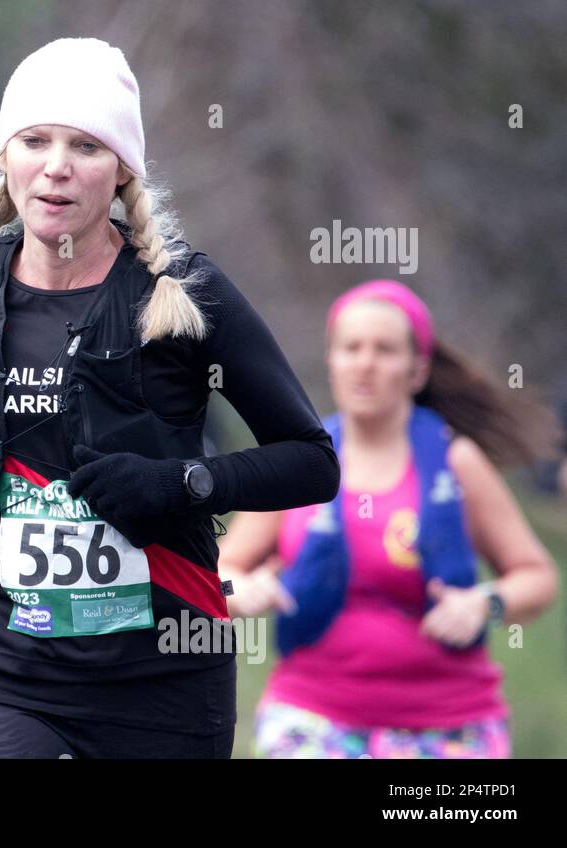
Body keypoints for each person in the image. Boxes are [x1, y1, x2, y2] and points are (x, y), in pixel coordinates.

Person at [0, 38, 339, 758]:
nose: (57, 165)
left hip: (163, 673)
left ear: (121, 170)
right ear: (5, 158)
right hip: (1, 665)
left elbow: (311, 461)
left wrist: (180, 482)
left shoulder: (184, 296)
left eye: (86, 146)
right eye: (35, 140)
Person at [219, 279, 559, 758]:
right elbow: (216, 576)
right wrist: (243, 590)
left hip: (448, 725)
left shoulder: (455, 463)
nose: (365, 363)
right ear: (331, 362)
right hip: (312, 720)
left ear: (417, 371)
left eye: (385, 350)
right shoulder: (295, 467)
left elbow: (536, 577)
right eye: (351, 348)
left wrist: (484, 604)